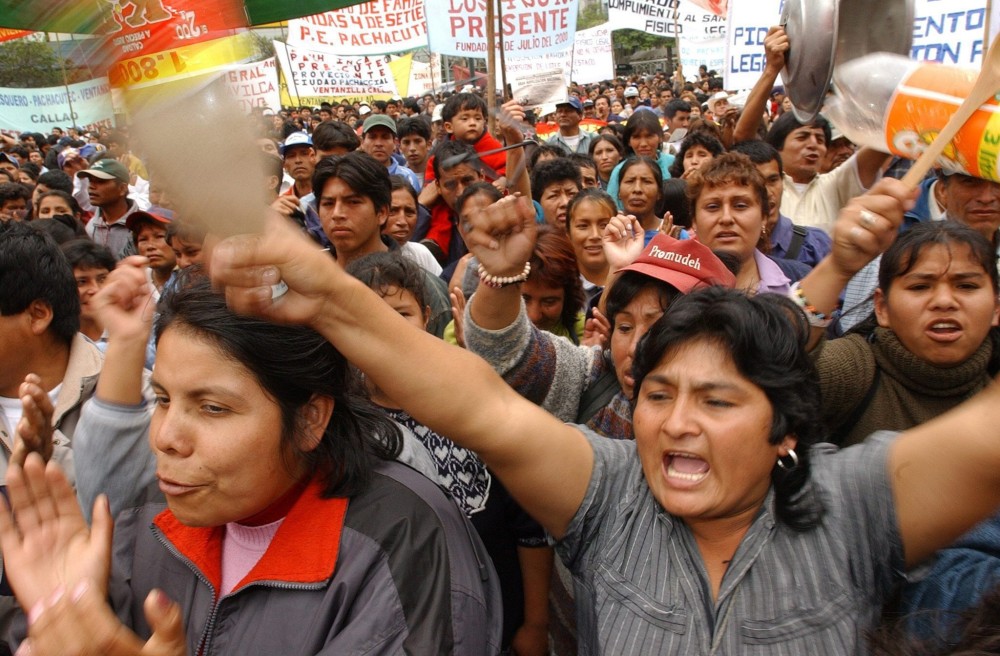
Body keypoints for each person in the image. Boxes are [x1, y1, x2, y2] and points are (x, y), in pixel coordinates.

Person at [193, 171, 1000, 653]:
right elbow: (479, 403)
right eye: (658, 394)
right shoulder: (612, 494)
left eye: (717, 400)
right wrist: (330, 292)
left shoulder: (854, 504)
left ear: (784, 426)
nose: (676, 423)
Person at [0, 273, 502, 655]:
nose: (166, 439)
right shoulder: (153, 517)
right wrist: (55, 615)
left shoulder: (403, 543)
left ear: (310, 418)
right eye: (162, 399)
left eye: (213, 408)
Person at [345, 252, 551, 655]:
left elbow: (530, 527)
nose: (384, 328)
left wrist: (535, 624)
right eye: (365, 315)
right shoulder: (340, 425)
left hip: (500, 624)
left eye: (399, 313)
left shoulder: (471, 403)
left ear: (426, 316)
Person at [797, 220, 999, 446]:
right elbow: (772, 369)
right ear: (882, 308)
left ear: (996, 307)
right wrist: (836, 268)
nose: (944, 302)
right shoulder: (852, 369)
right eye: (920, 287)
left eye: (966, 286)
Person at [314, 152, 452, 337]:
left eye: (353, 202)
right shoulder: (309, 280)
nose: (337, 213)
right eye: (328, 203)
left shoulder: (424, 288)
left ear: (382, 212)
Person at [689, 152, 792, 293]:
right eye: (713, 207)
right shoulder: (668, 290)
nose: (726, 218)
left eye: (740, 206)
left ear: (763, 217)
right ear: (694, 221)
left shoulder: (793, 281)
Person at [730, 140, 832, 268]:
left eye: (773, 180)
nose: (767, 192)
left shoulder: (815, 245)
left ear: (783, 181)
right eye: (756, 182)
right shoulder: (720, 244)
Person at [606, 111, 675, 209]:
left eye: (649, 136)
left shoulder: (673, 163)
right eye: (636, 137)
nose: (643, 144)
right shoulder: (620, 170)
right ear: (629, 141)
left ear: (660, 137)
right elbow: (612, 208)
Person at [80, 159, 144, 259]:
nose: (91, 186)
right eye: (90, 181)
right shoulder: (91, 226)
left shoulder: (141, 226)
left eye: (100, 181)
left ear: (122, 188)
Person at [565, 188, 616, 307]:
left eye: (604, 225)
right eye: (583, 226)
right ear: (568, 234)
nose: (595, 235)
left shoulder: (633, 283)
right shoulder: (559, 288)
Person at [384, 175, 442, 276]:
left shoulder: (421, 253)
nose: (402, 222)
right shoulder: (358, 256)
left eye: (409, 212)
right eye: (393, 211)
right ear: (379, 213)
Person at [60, 240, 115, 343]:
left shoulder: (127, 333)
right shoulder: (54, 340)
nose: (95, 289)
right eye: (82, 282)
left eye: (102, 279)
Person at [360, 115, 421, 192]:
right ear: (362, 142)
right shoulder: (353, 175)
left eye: (385, 137)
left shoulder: (408, 177)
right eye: (372, 137)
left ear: (395, 143)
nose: (378, 143)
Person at [617, 157, 668, 244]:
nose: (637, 189)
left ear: (659, 193)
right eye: (630, 181)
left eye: (647, 181)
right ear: (619, 192)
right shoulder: (610, 234)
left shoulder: (675, 235)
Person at [531, 159, 582, 230]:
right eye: (554, 196)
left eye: (571, 194)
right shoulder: (528, 239)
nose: (565, 203)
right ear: (538, 204)